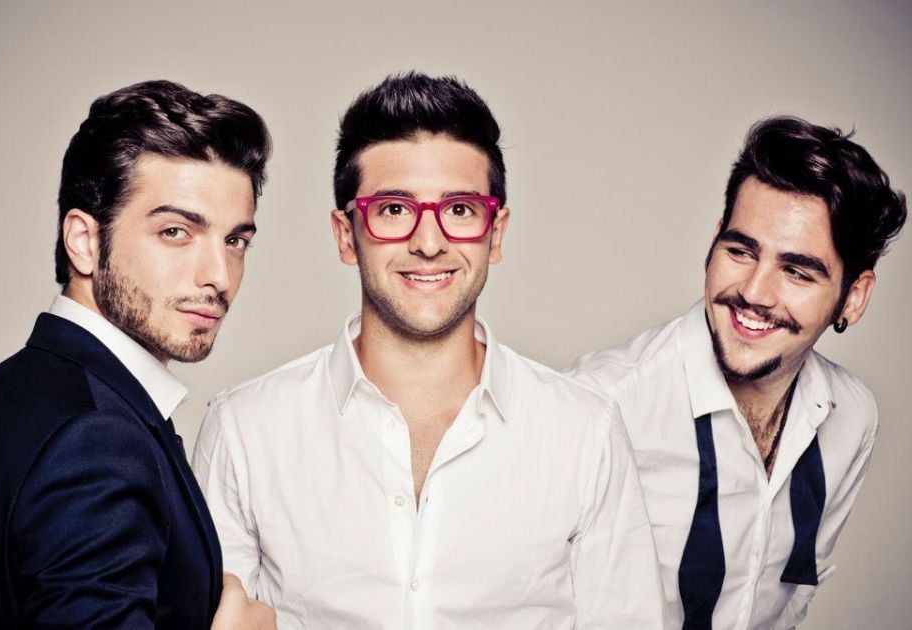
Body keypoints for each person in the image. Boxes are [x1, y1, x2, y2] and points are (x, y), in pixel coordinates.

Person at [191, 72, 665, 628]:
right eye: (394, 209)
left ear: (496, 233)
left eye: (460, 210)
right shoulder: (245, 430)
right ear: (346, 235)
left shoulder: (584, 431)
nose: (429, 242)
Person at [0, 80, 276, 629]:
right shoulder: (96, 441)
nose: (219, 277)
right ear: (84, 241)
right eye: (175, 231)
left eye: (235, 241)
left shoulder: (5, 390)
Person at [567, 116, 908, 629]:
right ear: (714, 242)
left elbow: (788, 598)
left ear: (853, 298)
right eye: (741, 251)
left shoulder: (852, 417)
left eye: (797, 271)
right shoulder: (599, 407)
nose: (753, 292)